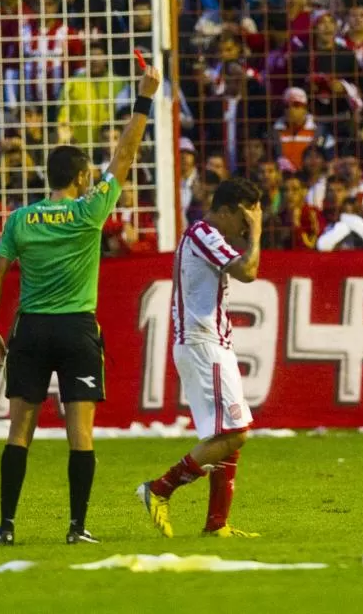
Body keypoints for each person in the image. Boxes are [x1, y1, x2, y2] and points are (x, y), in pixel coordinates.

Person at [0, 65, 163, 546]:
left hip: (32, 330)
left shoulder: (21, 219)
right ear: (83, 177)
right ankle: (77, 528)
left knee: (19, 430)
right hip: (78, 331)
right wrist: (144, 98)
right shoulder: (89, 211)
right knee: (80, 434)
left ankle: (7, 526)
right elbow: (124, 155)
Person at [136, 177, 263, 539]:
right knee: (235, 433)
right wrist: (256, 234)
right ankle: (160, 488)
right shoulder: (202, 234)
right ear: (224, 211)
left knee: (228, 433)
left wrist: (250, 228)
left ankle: (216, 524)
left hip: (213, 343)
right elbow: (249, 272)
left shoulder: (209, 235)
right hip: (201, 343)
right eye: (242, 218)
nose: (243, 227)